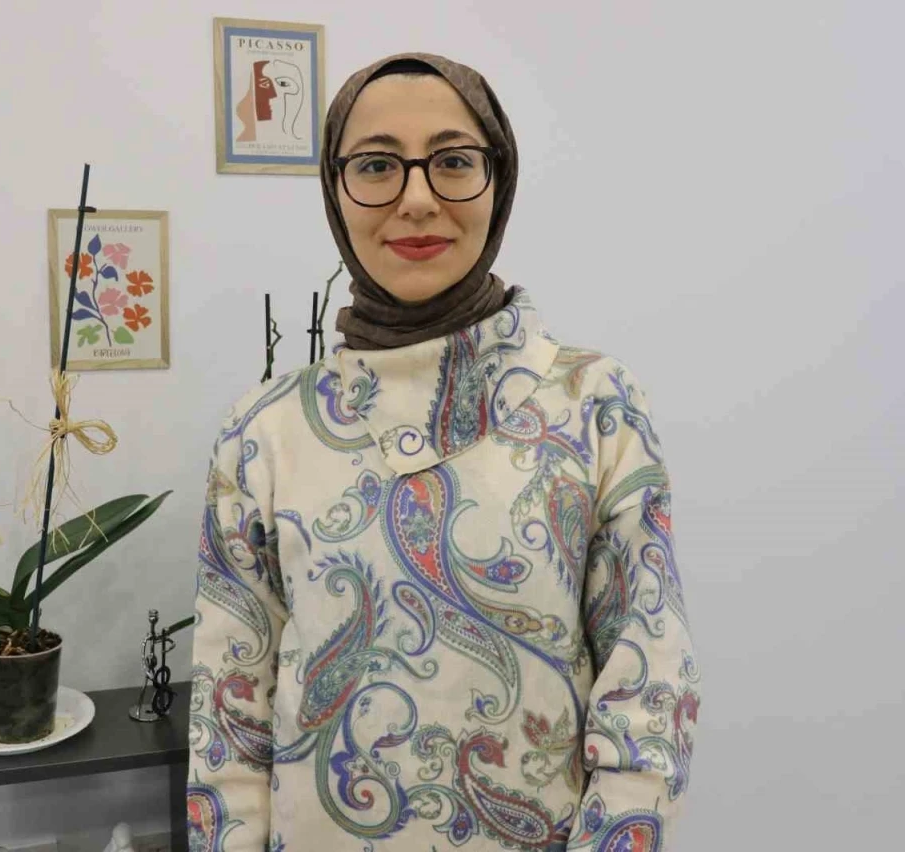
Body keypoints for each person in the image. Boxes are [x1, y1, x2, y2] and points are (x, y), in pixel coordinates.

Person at [186, 52, 701, 852]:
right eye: (377, 165)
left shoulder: (594, 403)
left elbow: (650, 692)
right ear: (335, 189)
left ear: (499, 179)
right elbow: (230, 722)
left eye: (454, 161)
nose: (418, 198)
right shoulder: (263, 430)